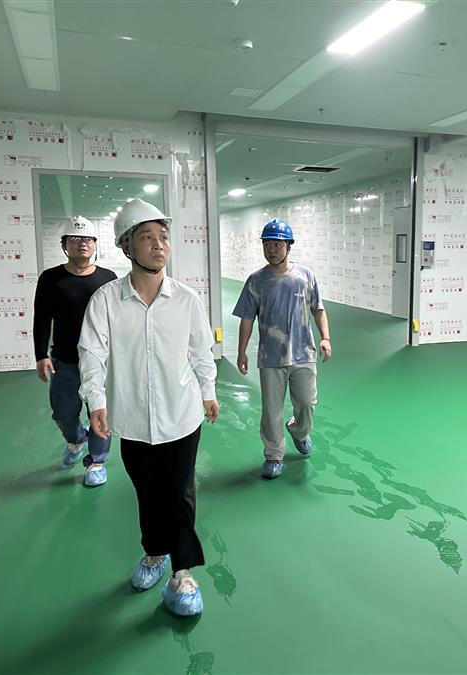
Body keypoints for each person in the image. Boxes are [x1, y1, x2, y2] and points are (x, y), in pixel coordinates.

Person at [78, 198, 218, 617]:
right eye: (147, 237)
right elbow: (91, 353)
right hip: (133, 419)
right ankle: (154, 552)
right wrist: (96, 400)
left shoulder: (186, 299)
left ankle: (182, 573)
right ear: (126, 246)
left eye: (164, 237)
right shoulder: (106, 300)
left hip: (181, 415)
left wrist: (208, 392)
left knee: (180, 494)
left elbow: (201, 351)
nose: (159, 245)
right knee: (148, 493)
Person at [233, 218, 331, 479]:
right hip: (271, 358)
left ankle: (299, 430)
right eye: (267, 244)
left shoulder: (305, 276)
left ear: (289, 246)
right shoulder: (256, 281)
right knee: (271, 410)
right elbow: (246, 319)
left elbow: (318, 309)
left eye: (277, 244)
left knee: (307, 404)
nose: (272, 249)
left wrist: (325, 338)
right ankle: (273, 455)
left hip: (303, 354)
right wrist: (241, 352)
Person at [33, 216, 116, 487]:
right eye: (75, 239)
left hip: (101, 361)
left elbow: (118, 320)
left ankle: (97, 462)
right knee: (63, 414)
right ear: (64, 245)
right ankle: (76, 440)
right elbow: (41, 318)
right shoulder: (51, 278)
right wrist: (41, 355)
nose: (82, 243)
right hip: (65, 360)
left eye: (88, 239)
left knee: (100, 413)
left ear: (95, 245)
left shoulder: (108, 278)